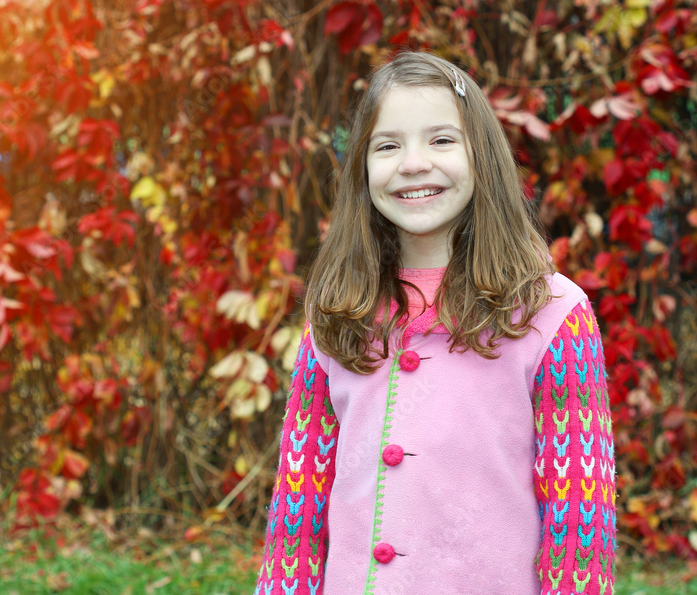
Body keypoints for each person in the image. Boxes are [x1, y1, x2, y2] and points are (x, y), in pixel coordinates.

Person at [253, 50, 617, 594]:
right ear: (362, 169)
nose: (414, 162)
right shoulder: (335, 309)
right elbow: (299, 500)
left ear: (483, 157)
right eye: (388, 145)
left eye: (442, 140)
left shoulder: (553, 314)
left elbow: (579, 512)